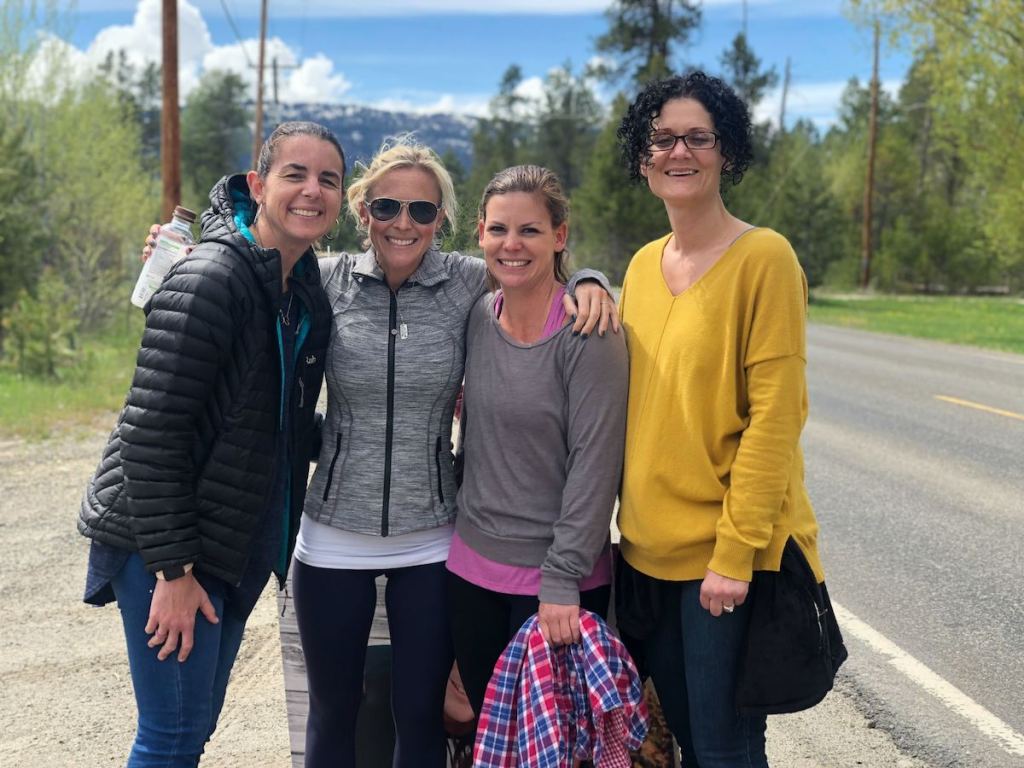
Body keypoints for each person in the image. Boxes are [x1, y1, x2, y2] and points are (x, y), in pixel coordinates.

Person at [291, 140, 617, 768]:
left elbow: (529, 261)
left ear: (442, 220)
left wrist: (589, 280)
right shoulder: (323, 280)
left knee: (421, 715)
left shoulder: (465, 281)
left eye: (422, 210)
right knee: (333, 711)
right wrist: (176, 259)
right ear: (363, 211)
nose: (404, 223)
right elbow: (253, 280)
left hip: (434, 542)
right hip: (333, 533)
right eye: (388, 206)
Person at [78, 121, 346, 767]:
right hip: (165, 546)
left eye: (328, 179)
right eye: (295, 174)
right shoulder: (213, 277)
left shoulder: (296, 288)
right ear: (258, 185)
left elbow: (272, 420)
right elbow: (150, 434)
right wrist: (173, 571)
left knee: (190, 731)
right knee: (171, 736)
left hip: (224, 542)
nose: (312, 190)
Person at [613, 71, 828, 766]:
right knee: (683, 739)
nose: (680, 152)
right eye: (662, 139)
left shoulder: (763, 259)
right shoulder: (643, 267)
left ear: (726, 151)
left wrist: (735, 556)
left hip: (724, 563)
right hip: (647, 554)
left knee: (725, 749)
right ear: (643, 157)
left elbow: (775, 417)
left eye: (698, 137)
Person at [445, 165, 629, 717]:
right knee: (494, 739)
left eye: (529, 230)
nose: (512, 245)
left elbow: (596, 467)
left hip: (555, 586)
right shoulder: (479, 315)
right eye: (499, 229)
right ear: (480, 234)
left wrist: (562, 579)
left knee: (552, 749)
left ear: (559, 236)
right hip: (471, 571)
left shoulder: (588, 334)